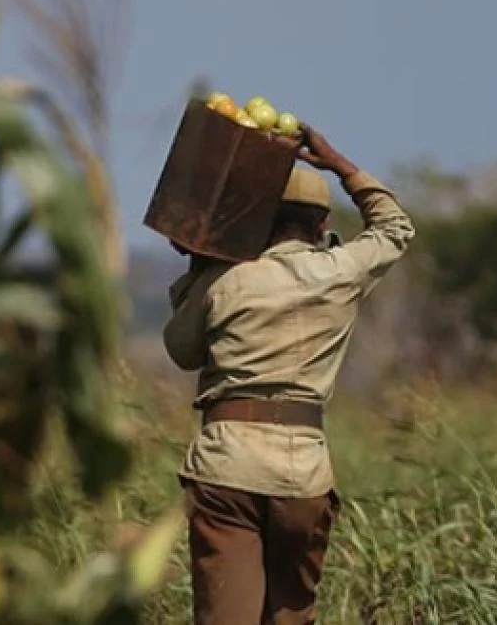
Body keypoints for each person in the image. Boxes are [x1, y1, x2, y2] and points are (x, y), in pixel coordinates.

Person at [162, 123, 416, 624]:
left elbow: (181, 349)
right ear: (322, 225)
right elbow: (395, 229)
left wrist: (200, 263)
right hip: (303, 472)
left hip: (227, 465)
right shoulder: (342, 271)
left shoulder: (225, 278)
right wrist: (339, 164)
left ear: (257, 220)